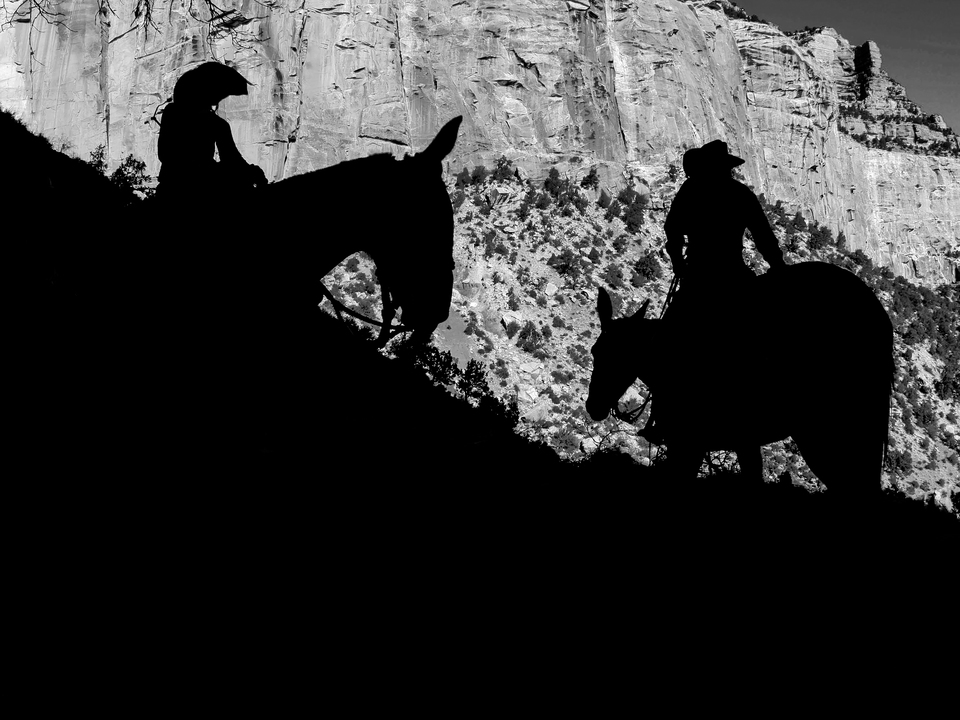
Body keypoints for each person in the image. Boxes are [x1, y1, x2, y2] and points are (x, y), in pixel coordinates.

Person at [639, 140, 786, 446]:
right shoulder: (739, 193)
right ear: (726, 167)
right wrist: (779, 268)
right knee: (761, 339)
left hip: (700, 281)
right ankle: (765, 405)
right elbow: (763, 236)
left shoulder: (691, 192)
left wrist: (679, 262)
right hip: (736, 278)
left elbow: (671, 232)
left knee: (667, 344)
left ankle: (663, 417)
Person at [156, 62, 268, 205]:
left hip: (173, 187)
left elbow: (232, 159)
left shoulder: (173, 113)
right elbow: (232, 160)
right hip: (193, 188)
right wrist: (250, 172)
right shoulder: (214, 123)